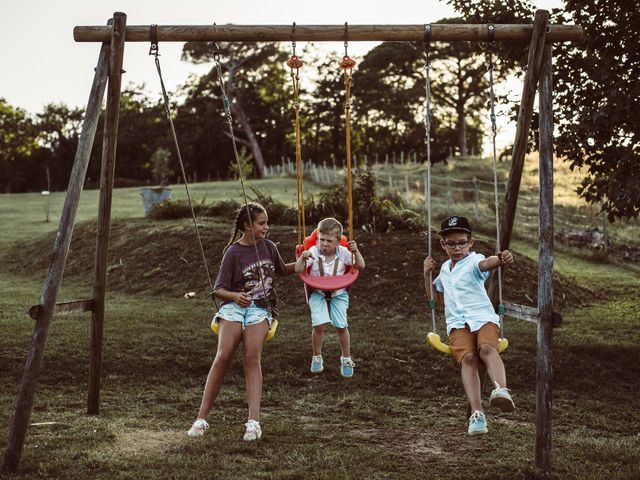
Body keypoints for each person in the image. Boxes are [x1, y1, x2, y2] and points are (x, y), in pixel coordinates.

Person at [187, 203, 295, 441]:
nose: (267, 227)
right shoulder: (233, 253)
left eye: (266, 222)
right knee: (224, 355)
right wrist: (236, 296)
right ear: (247, 225)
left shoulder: (269, 247)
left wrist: (303, 263)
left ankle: (253, 422)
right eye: (261, 223)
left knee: (250, 356)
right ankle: (201, 419)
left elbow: (282, 269)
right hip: (234, 306)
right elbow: (218, 290)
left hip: (260, 309)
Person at [423, 215, 515, 436]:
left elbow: (486, 264)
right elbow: (437, 300)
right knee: (469, 358)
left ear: (470, 243)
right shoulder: (444, 269)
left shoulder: (474, 261)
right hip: (457, 324)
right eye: (451, 243)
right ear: (443, 244)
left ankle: (501, 390)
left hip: (483, 318)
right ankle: (477, 414)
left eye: (462, 242)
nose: (457, 248)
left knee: (486, 348)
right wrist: (426, 274)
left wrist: (500, 259)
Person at [295, 217, 365, 377]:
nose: (324, 244)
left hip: (339, 293)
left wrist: (356, 251)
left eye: (329, 240)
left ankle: (346, 358)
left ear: (339, 241)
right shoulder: (312, 252)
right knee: (318, 325)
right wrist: (302, 257)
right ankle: (316, 357)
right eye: (321, 239)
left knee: (341, 326)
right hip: (317, 292)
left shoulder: (344, 253)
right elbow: (298, 269)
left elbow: (361, 265)